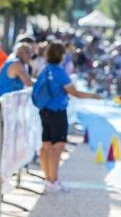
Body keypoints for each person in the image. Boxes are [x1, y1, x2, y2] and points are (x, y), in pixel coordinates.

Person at [34, 41, 101, 193]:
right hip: (57, 112)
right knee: (57, 147)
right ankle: (53, 180)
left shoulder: (44, 70)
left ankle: (48, 179)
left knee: (45, 146)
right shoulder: (59, 72)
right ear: (61, 55)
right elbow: (74, 92)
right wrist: (93, 96)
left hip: (44, 110)